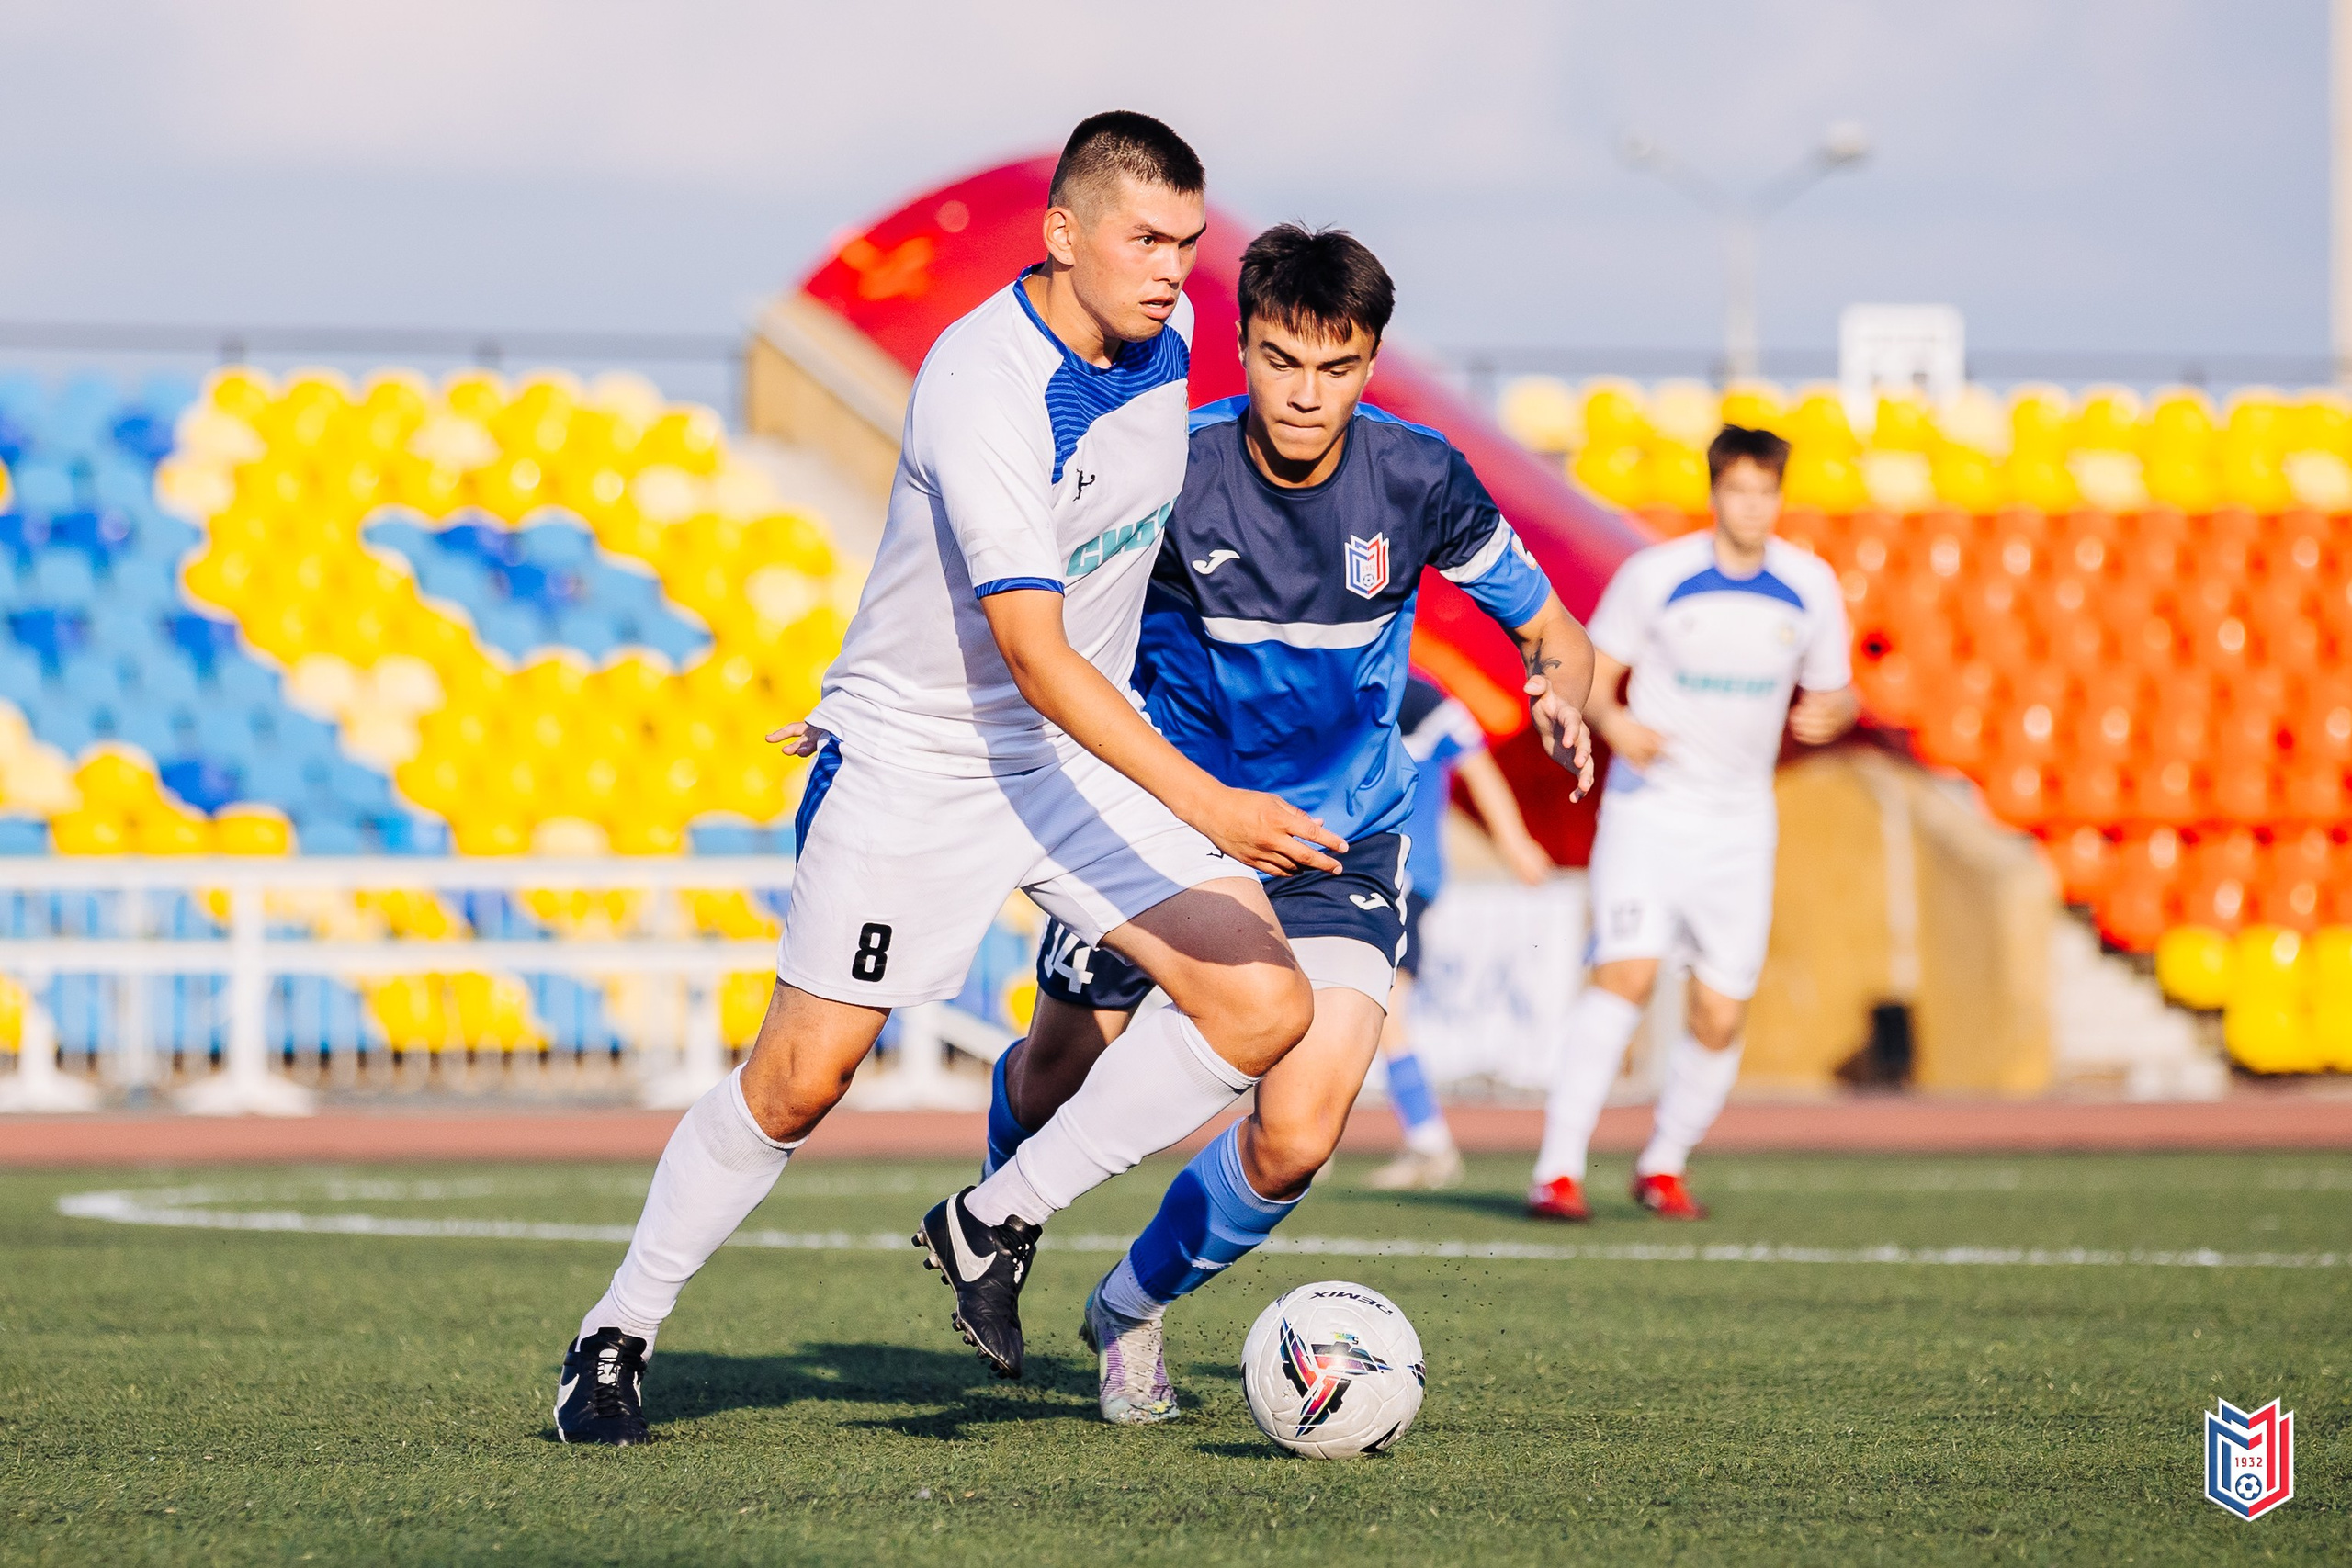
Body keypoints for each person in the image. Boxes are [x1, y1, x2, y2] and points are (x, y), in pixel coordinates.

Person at [553, 112, 1348, 1444]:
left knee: (1265, 1002)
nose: (1172, 271)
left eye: (1187, 244)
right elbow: (1033, 652)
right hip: (925, 760)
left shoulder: (1166, 347)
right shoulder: (983, 380)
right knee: (800, 1080)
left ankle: (994, 1214)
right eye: (1146, 240)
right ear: (1061, 233)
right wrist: (1210, 801)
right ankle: (615, 1331)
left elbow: (1125, 560)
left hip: (1066, 755)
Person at [983, 224, 1594, 1425]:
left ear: (1370, 362)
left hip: (1338, 843)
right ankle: (1001, 1213)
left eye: (1337, 366)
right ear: (1243, 346)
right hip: (1155, 825)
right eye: (1279, 361)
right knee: (1062, 1068)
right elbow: (1014, 596)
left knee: (1299, 1130)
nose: (1306, 393)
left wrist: (1562, 685)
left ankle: (1126, 1307)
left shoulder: (1421, 481)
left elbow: (1549, 622)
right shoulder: (1165, 465)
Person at [1527, 424, 1857, 1224]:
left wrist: (1833, 713)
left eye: (1765, 491)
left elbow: (1839, 691)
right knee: (1627, 974)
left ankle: (1663, 1163)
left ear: (1780, 496)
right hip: (1652, 809)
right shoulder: (1659, 575)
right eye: (1738, 490)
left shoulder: (1809, 587)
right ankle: (1558, 1169)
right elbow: (1586, 667)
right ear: (1715, 494)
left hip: (1742, 823)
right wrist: (1613, 721)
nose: (1752, 505)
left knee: (1720, 1010)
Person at [1362, 671, 1555, 1192]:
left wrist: (1514, 843)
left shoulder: (1416, 694)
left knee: (1381, 1005)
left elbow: (1477, 764)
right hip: (1354, 873)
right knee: (1361, 1005)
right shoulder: (1341, 676)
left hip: (1396, 874)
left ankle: (1427, 1141)